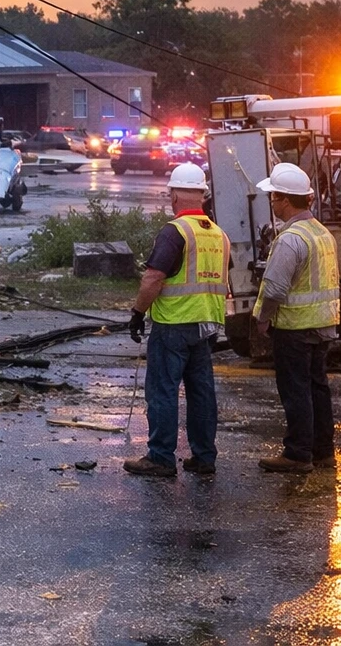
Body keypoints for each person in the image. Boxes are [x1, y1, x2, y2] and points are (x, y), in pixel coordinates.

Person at [124, 162, 230, 477]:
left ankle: (160, 457)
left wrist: (138, 313)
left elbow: (153, 278)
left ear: (173, 196)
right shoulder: (219, 235)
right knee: (201, 393)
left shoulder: (175, 231)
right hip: (206, 325)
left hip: (173, 324)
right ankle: (204, 456)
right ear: (203, 195)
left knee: (163, 390)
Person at [253, 162, 340, 474]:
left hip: (295, 328)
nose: (273, 203)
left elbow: (275, 287)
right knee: (318, 387)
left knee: (296, 390)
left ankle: (297, 453)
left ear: (285, 200)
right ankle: (323, 451)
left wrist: (263, 317)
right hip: (322, 325)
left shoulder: (290, 238)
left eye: (273, 198)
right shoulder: (322, 233)